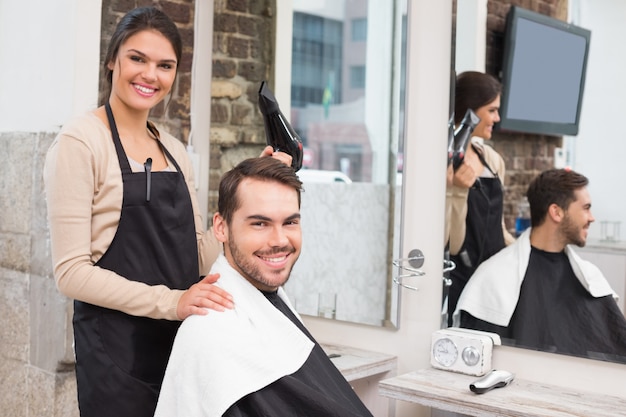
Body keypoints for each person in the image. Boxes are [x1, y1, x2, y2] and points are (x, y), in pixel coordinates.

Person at [43, 7, 290, 417]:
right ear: (112, 60)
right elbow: (71, 273)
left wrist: (251, 188)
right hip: (116, 356)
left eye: (165, 65)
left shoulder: (174, 152)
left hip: (183, 349)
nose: (150, 75)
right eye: (137, 58)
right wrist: (172, 302)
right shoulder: (80, 142)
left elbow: (193, 256)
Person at [154, 157, 373, 417]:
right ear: (221, 228)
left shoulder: (272, 300)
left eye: (290, 222)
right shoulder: (209, 334)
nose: (279, 240)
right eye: (260, 223)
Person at [453, 169, 626, 362]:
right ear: (556, 212)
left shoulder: (590, 276)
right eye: (586, 208)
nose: (591, 217)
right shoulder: (495, 277)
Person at [445, 71, 515, 325]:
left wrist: (519, 252)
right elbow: (451, 244)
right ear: (471, 111)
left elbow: (497, 226)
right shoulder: (446, 160)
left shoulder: (493, 160)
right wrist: (457, 189)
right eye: (492, 110)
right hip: (461, 279)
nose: (497, 118)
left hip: (494, 278)